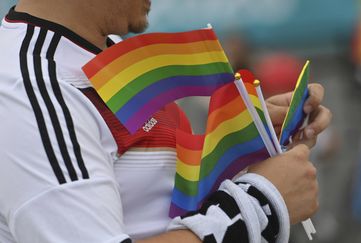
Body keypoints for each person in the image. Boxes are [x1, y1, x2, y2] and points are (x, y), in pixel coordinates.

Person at [0, 0, 332, 242]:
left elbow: (155, 197)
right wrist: (260, 202)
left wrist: (245, 141)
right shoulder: (31, 90)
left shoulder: (107, 50)